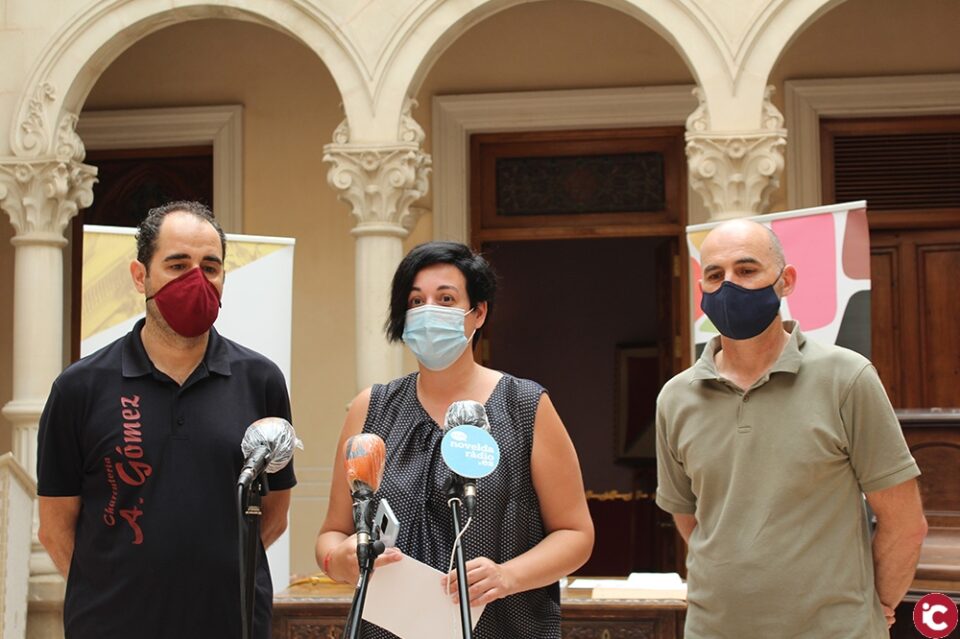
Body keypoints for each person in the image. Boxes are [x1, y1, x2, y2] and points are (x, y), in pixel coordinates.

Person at [656, 219, 928, 638]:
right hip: (714, 629)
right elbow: (690, 517)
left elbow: (904, 522)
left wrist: (876, 608)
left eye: (747, 270)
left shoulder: (847, 378)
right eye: (714, 275)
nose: (729, 285)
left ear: (786, 281)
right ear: (701, 289)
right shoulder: (676, 398)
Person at [36, 201, 296, 639]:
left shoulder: (261, 381)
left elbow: (273, 515)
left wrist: (210, 578)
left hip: (232, 625)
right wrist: (113, 590)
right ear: (140, 276)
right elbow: (55, 527)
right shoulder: (79, 388)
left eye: (210, 267)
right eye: (177, 265)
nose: (197, 280)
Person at [316, 241, 594, 638]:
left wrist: (508, 576)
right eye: (416, 301)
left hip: (501, 627)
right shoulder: (371, 408)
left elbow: (576, 535)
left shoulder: (524, 405)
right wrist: (338, 559)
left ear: (478, 312)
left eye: (446, 299)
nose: (428, 310)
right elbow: (332, 532)